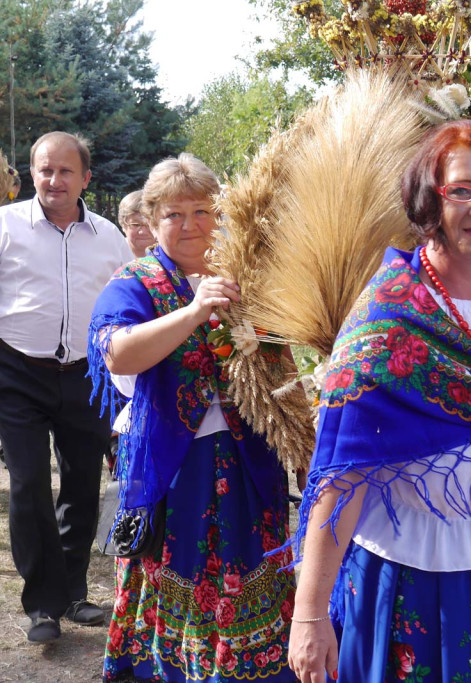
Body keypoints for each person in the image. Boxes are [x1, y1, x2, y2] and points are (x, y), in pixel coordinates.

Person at [286, 120, 471, 683]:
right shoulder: (388, 318)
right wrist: (308, 613)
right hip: (409, 576)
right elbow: (342, 473)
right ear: (428, 199)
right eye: (460, 190)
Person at [88, 153, 297, 681]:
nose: (189, 225)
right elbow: (118, 355)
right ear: (153, 219)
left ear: (219, 215)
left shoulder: (248, 274)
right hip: (174, 468)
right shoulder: (136, 280)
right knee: (176, 574)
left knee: (255, 566)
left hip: (252, 462)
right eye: (173, 214)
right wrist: (192, 311)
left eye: (202, 211)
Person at [0, 131, 134, 644]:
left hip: (87, 375)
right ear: (32, 173)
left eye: (65, 171)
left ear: (85, 178)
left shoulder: (108, 238)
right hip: (17, 374)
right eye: (44, 170)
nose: (54, 180)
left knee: (81, 486)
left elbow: (126, 300)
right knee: (29, 483)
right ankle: (42, 606)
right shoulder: (7, 227)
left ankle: (74, 592)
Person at [118, 189, 156, 258]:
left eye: (149, 225)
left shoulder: (174, 256)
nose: (143, 232)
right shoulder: (112, 254)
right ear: (123, 225)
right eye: (136, 225)